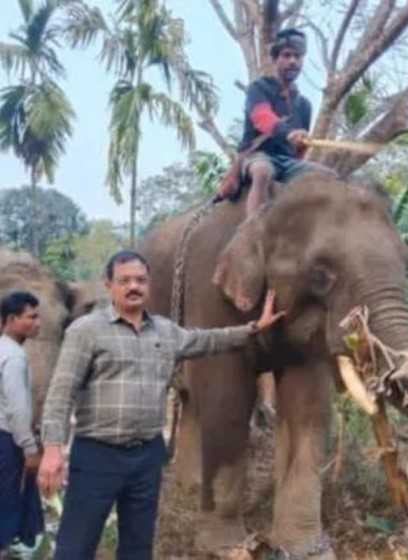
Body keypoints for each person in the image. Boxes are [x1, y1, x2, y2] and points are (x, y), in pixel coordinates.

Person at [36, 251, 286, 559]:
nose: (133, 287)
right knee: (76, 545)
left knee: (138, 545)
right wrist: (52, 449)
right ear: (109, 285)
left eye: (140, 280)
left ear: (149, 285)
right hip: (97, 456)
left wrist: (254, 328)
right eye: (124, 280)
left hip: (145, 457)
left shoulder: (165, 332)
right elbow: (62, 391)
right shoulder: (87, 330)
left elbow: (208, 340)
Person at [225, 28, 332, 214]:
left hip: (287, 162)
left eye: (298, 57)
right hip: (258, 155)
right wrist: (288, 133)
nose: (293, 61)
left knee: (329, 177)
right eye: (286, 55)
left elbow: (298, 151)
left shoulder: (304, 105)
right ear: (275, 59)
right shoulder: (258, 89)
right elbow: (261, 118)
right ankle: (253, 232)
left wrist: (302, 142)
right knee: (262, 172)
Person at [0, 292, 43, 555]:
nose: (38, 323)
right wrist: (29, 447)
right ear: (12, 319)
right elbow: (17, 410)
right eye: (32, 317)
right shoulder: (14, 357)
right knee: (6, 501)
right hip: (7, 441)